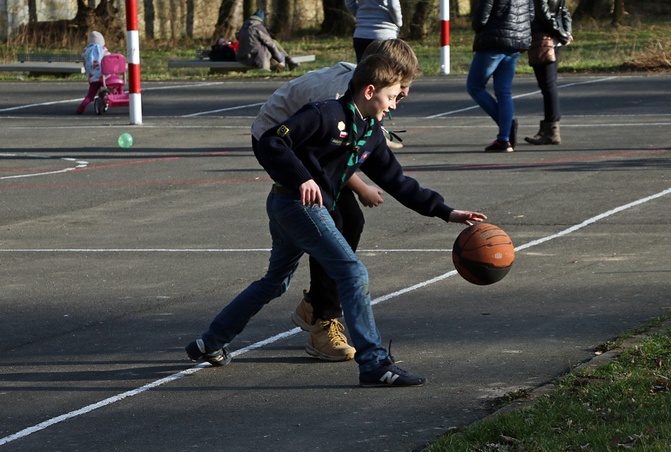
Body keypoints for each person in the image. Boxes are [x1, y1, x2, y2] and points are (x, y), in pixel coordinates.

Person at [186, 53, 487, 387]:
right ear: (370, 91)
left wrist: (446, 212)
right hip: (294, 203)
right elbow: (273, 139)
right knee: (352, 271)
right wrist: (302, 177)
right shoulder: (324, 113)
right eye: (391, 97)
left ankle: (210, 342)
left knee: (276, 282)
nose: (395, 106)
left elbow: (398, 182)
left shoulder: (370, 132)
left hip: (300, 207)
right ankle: (373, 363)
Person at [250, 39, 419, 363]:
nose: (406, 93)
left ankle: (314, 304)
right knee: (334, 219)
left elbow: (347, 154)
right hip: (276, 140)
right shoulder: (334, 99)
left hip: (309, 145)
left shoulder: (366, 91)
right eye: (403, 84)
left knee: (349, 220)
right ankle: (321, 323)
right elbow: (321, 156)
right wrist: (361, 187)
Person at [466, 0, 532, 153]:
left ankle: (506, 128)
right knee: (504, 91)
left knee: (474, 86)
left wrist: (477, 27)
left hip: (494, 41)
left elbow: (482, 16)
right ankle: (504, 138)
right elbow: (531, 15)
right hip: (516, 42)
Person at [524, 0, 572, 146]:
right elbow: (564, 11)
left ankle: (551, 131)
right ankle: (547, 128)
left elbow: (544, 15)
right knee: (549, 85)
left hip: (544, 39)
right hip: (553, 38)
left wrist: (562, 34)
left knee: (548, 85)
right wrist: (566, 32)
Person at [76, 31, 109, 115]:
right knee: (112, 87)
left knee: (90, 96)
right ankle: (106, 99)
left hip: (93, 78)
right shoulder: (103, 51)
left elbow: (84, 61)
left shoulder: (86, 51)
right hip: (104, 77)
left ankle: (81, 108)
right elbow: (110, 58)